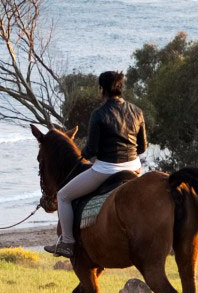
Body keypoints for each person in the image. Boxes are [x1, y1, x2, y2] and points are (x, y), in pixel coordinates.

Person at [45, 71, 146, 258]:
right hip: (134, 168)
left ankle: (67, 242)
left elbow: (91, 150)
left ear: (101, 90)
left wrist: (81, 158)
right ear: (120, 88)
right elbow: (142, 146)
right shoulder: (137, 111)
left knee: (63, 195)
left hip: (106, 170)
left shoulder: (99, 114)